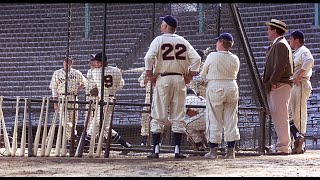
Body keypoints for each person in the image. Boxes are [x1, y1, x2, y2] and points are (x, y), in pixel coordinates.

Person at [144, 15, 201, 159]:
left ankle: (156, 150)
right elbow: (197, 59)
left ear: (165, 26)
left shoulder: (159, 39)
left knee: (158, 114)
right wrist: (190, 75)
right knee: (178, 115)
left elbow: (149, 57)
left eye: (162, 24)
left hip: (163, 78)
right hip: (180, 79)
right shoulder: (183, 41)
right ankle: (177, 150)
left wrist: (149, 74)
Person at [199, 32, 240, 159]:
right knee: (231, 119)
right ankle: (230, 151)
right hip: (232, 86)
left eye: (218, 41)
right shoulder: (235, 58)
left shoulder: (212, 56)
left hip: (215, 86)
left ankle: (213, 151)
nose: (216, 43)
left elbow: (203, 74)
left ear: (221, 43)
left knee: (214, 118)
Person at [85, 52, 132, 154]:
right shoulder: (116, 71)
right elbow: (121, 85)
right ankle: (126, 145)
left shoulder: (95, 72)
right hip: (111, 99)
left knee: (97, 122)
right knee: (105, 126)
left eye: (97, 62)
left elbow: (92, 88)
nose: (95, 64)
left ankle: (86, 142)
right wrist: (117, 73)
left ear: (101, 62)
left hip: (103, 100)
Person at [263, 19, 294, 155]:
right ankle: (283, 145)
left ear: (275, 30)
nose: (267, 32)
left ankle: (283, 147)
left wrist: (273, 82)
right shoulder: (279, 44)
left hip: (280, 84)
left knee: (280, 116)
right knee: (279, 116)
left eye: (269, 29)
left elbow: (280, 65)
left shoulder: (280, 44)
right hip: (279, 84)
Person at [49, 57, 87, 145]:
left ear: (72, 63)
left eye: (69, 63)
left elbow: (85, 82)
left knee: (74, 119)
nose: (67, 64)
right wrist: (55, 101)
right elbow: (54, 88)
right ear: (63, 63)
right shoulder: (57, 73)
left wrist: (78, 90)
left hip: (73, 97)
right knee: (64, 120)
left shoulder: (76, 73)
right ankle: (74, 135)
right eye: (66, 63)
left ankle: (69, 141)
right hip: (62, 98)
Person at [288, 30, 314, 154]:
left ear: (297, 40)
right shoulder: (296, 52)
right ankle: (297, 139)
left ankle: (300, 144)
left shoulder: (304, 50)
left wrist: (299, 76)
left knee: (299, 115)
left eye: (291, 39)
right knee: (291, 115)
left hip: (301, 83)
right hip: (296, 85)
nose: (290, 41)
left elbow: (309, 61)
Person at [185, 87, 206, 154]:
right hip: (212, 117)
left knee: (185, 125)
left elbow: (192, 113)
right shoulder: (200, 97)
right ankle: (212, 147)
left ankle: (199, 146)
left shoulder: (186, 98)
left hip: (203, 117)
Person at [137, 69, 152, 146]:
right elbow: (142, 84)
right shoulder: (146, 72)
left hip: (159, 95)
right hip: (148, 96)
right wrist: (147, 78)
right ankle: (144, 140)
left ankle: (159, 141)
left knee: (159, 117)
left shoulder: (161, 69)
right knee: (145, 117)